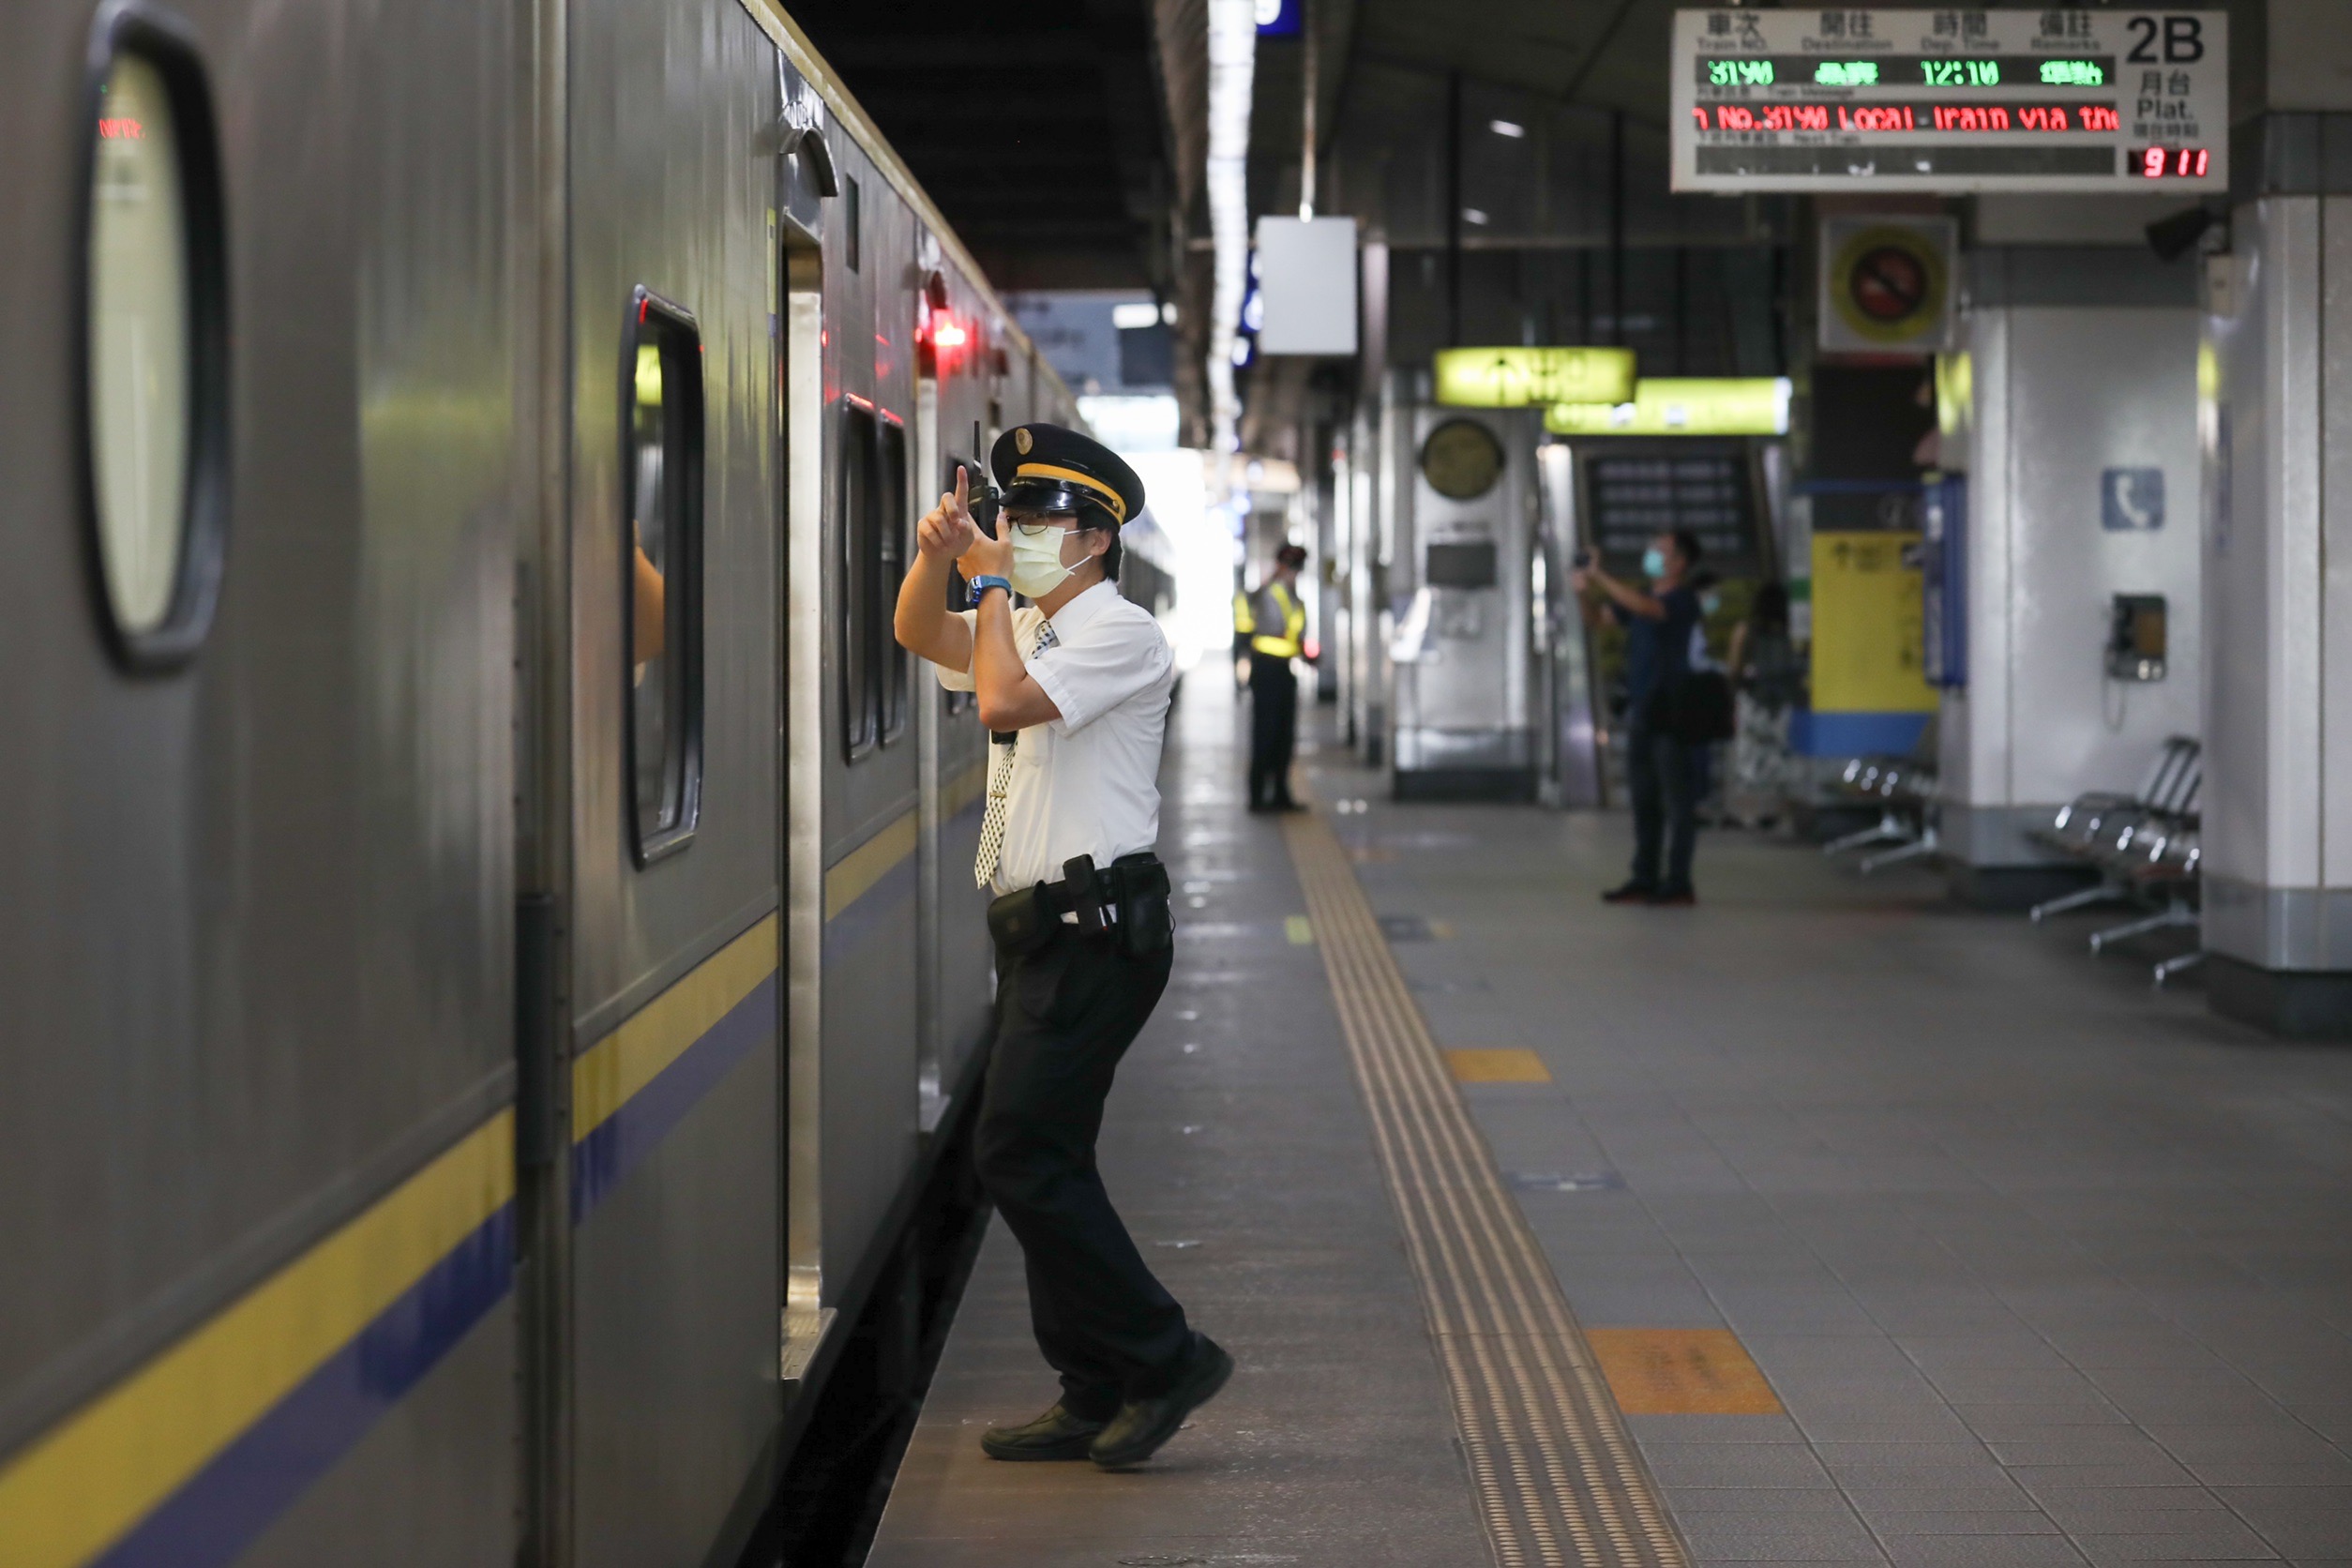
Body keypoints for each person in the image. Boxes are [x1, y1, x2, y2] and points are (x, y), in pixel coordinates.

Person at [892, 421, 1231, 1470]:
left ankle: (1165, 1357)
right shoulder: (1032, 625)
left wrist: (993, 585)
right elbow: (918, 632)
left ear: (1096, 539)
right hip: (1042, 933)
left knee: (1017, 1153)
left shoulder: (1119, 633)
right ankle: (1089, 1388)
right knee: (1046, 1156)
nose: (1020, 533)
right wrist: (940, 558)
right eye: (1013, 516)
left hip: (1098, 933)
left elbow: (998, 699)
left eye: (1040, 521)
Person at [1574, 529, 1705, 906]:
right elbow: (1598, 619)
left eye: (1659, 550)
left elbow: (1650, 611)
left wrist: (1600, 576)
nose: (1651, 555)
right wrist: (1583, 590)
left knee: (1676, 802)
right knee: (1645, 799)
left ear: (1679, 563)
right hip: (1642, 710)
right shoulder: (1641, 597)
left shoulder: (1682, 600)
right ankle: (1644, 876)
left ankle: (1679, 882)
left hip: (1673, 712)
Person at [1235, 543, 1309, 811]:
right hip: (1267, 671)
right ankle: (1258, 797)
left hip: (1283, 670)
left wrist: (1303, 650)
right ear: (1281, 565)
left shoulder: (1289, 594)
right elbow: (1273, 632)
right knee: (1266, 734)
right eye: (1292, 567)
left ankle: (1280, 794)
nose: (1295, 573)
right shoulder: (1271, 593)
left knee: (1283, 736)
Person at [1726, 580, 1802, 828]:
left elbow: (1734, 668)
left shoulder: (1746, 630)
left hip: (1753, 702)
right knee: (1778, 759)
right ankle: (1775, 812)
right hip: (1782, 704)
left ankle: (1748, 813)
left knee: (1749, 759)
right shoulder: (1790, 633)